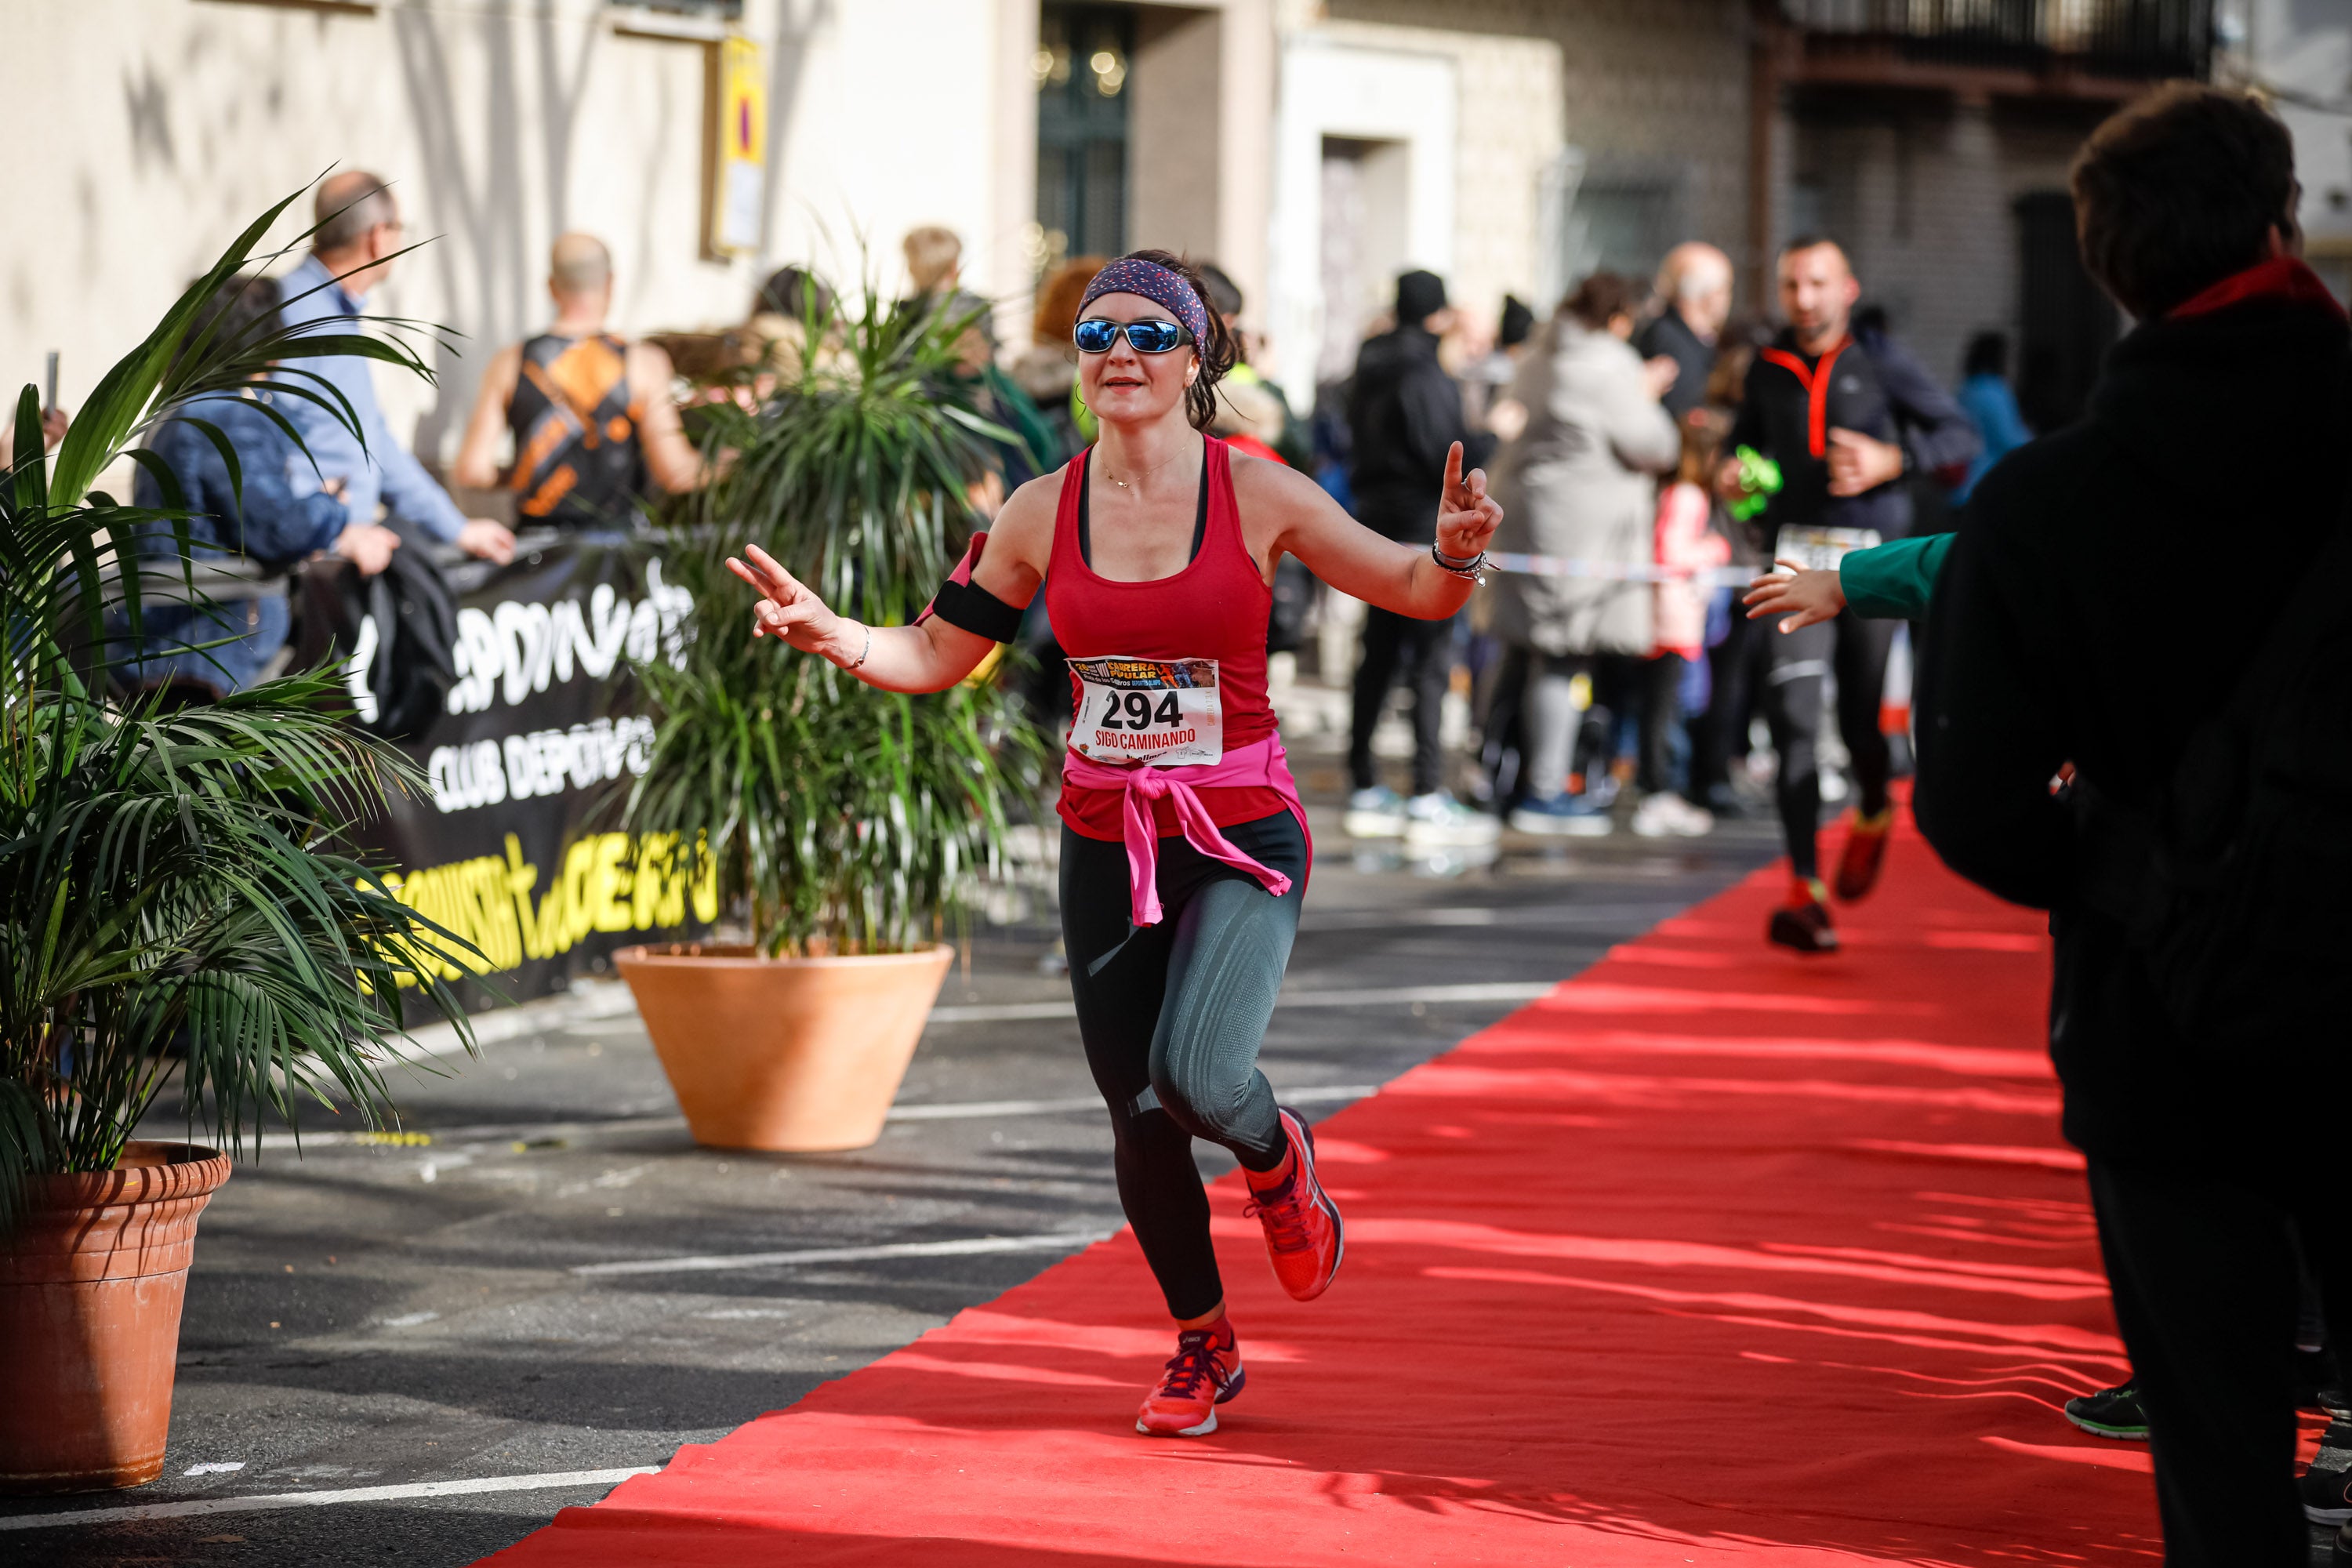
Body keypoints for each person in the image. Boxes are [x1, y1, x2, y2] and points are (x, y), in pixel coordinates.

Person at [726, 249, 1502, 1440]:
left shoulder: (1259, 491)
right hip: (1106, 834)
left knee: (1199, 1075)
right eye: (1098, 337)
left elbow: (1412, 588)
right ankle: (1205, 1343)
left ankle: (1277, 1153)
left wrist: (1451, 554)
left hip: (1242, 831)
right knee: (1136, 1111)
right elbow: (936, 653)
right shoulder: (1042, 508)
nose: (1120, 355)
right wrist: (838, 635)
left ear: (1195, 359)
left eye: (1148, 335)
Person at [1911, 84, 2351, 1563]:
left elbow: (1970, 805)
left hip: (2165, 1013)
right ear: (2283, 226)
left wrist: (2126, 879)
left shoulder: (2046, 502)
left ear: (2105, 263)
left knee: (2219, 1457)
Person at [1719, 238, 1976, 953]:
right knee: (1795, 716)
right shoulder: (1765, 370)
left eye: (1817, 284)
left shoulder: (1881, 359)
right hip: (1792, 557)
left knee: (1864, 721)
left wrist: (1895, 458)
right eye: (1792, 284)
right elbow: (1738, 452)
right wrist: (1731, 479)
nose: (1803, 299)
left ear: (1847, 289)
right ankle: (1805, 889)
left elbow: (1960, 436)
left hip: (1869, 565)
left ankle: (1870, 804)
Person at [122, 273, 394, 697]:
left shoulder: (181, 410)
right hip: (209, 643)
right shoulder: (227, 416)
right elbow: (278, 527)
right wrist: (334, 511)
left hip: (176, 633)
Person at [1486, 272, 1680, 834]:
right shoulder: (1610, 365)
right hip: (1580, 531)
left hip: (1528, 522)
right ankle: (1546, 790)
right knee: (1562, 654)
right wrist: (1647, 394)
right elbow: (1653, 444)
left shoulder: (1540, 355)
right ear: (1620, 317)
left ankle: (1501, 774)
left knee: (1523, 653)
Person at [278, 172, 514, 565]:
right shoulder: (299, 314)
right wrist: (320, 529)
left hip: (342, 556)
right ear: (378, 237)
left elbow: (373, 443)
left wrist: (457, 528)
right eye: (400, 229)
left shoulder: (327, 312)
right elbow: (259, 435)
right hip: (307, 560)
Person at [1341, 269, 1497, 844]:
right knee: (1430, 657)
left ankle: (1364, 779)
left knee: (1377, 655)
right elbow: (1446, 453)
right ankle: (1427, 789)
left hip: (1373, 519)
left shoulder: (1369, 362)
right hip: (1419, 528)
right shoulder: (1423, 370)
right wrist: (1492, 435)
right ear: (1437, 316)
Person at [450, 234, 708, 528]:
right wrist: (735, 459)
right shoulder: (643, 363)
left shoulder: (511, 361)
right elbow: (677, 474)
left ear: (551, 287)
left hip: (538, 550)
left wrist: (530, 469)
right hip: (616, 551)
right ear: (610, 283)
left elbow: (471, 471)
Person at [1640, 242, 1734, 423]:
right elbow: (1683, 413)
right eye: (1725, 289)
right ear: (1705, 294)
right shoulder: (1669, 341)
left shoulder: (1697, 339)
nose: (1727, 298)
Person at [1951, 330, 2034, 506]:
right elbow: (2009, 438)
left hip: (1961, 488)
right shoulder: (1995, 390)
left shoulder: (1967, 389)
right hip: (1987, 486)